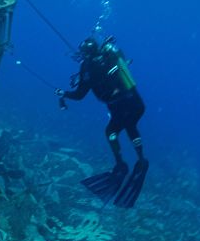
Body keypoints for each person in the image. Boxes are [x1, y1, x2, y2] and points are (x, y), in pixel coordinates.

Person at [58, 36, 147, 207]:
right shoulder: (109, 58)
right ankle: (140, 158)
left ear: (85, 53)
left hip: (120, 106)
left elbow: (79, 95)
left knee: (112, 132)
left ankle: (121, 164)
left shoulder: (87, 67)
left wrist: (64, 94)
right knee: (130, 126)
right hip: (136, 103)